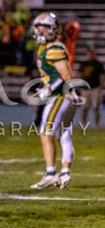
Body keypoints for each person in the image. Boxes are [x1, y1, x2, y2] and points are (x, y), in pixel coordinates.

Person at [30, 12, 77, 189]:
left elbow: (66, 75)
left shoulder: (54, 48)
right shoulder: (47, 47)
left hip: (61, 95)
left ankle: (51, 174)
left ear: (53, 29)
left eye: (45, 27)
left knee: (45, 132)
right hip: (67, 94)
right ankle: (65, 173)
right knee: (63, 134)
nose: (41, 31)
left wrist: (48, 89)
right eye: (38, 27)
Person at [79, 46, 104, 127]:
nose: (90, 55)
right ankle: (83, 124)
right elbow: (80, 75)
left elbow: (102, 76)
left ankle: (96, 125)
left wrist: (100, 86)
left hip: (95, 88)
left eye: (91, 54)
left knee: (95, 107)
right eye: (89, 54)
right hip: (85, 88)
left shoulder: (98, 64)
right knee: (84, 107)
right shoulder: (83, 64)